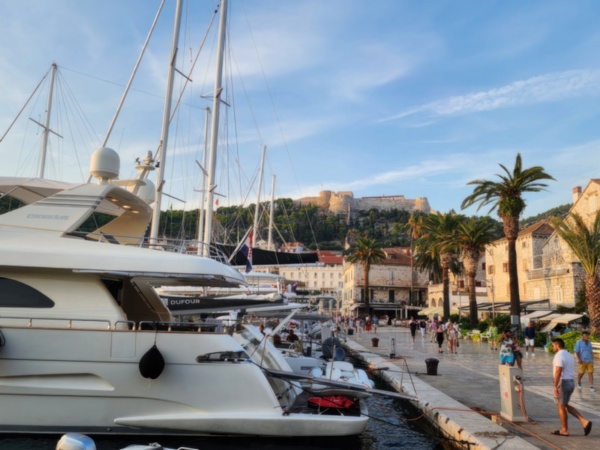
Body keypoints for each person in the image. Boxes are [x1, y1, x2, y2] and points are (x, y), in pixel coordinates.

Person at [551, 337, 592, 437]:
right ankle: (584, 422)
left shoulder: (559, 355)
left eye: (553, 345)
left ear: (557, 345)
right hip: (570, 382)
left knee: (561, 406)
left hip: (563, 383)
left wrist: (555, 386)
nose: (552, 347)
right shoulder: (568, 355)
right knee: (565, 405)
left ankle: (564, 430)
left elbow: (558, 371)